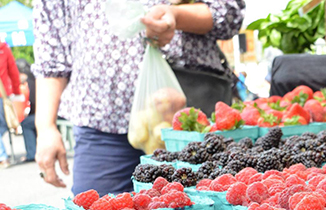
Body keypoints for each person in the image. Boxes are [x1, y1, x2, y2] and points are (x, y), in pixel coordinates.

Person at [33, 0, 245, 195]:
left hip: (186, 125)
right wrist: (45, 127)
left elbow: (228, 13)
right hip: (101, 125)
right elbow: (51, 54)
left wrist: (176, 15)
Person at [0, 41, 22, 167]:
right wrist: (16, 91)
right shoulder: (4, 49)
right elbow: (13, 72)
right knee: (3, 125)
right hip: (3, 94)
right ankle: (2, 155)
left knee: (2, 125)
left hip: (3, 94)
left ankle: (2, 156)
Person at [15, 59, 37, 162]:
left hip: (43, 114)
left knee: (26, 123)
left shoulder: (30, 82)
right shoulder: (36, 77)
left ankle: (31, 153)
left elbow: (33, 101)